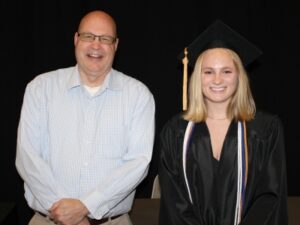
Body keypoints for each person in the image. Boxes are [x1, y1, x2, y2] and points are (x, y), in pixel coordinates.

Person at [16, 10, 155, 225]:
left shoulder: (138, 96)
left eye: (105, 39)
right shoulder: (40, 89)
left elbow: (138, 163)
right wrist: (65, 212)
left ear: (116, 45)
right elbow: (28, 157)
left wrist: (86, 207)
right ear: (76, 39)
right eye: (88, 36)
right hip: (48, 221)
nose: (96, 45)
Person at [158, 20, 288, 225]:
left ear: (239, 76)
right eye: (208, 71)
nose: (217, 80)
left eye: (227, 71)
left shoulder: (265, 129)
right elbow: (175, 204)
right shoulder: (175, 132)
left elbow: (270, 198)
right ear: (197, 77)